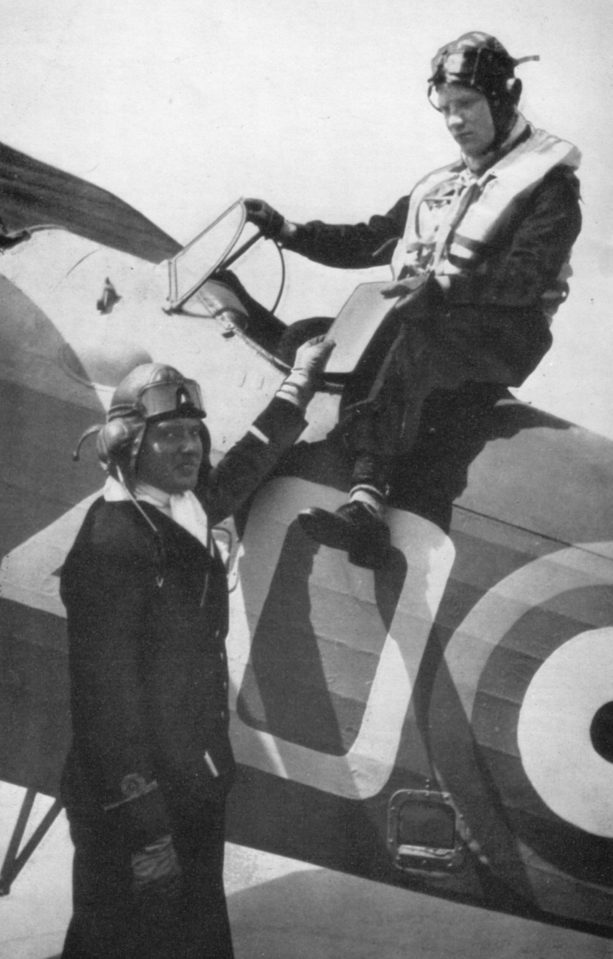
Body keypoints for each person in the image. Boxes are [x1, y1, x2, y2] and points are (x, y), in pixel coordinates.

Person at [244, 30, 582, 569]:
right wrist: (289, 230)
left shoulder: (549, 187)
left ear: (502, 99)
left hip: (502, 333)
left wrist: (441, 290)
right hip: (427, 316)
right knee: (308, 336)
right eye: (446, 108)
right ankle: (266, 466)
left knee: (414, 342)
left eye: (467, 104)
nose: (454, 120)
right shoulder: (443, 184)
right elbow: (373, 237)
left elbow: (521, 280)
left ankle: (366, 504)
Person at [59, 336, 333, 959]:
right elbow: (105, 707)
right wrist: (146, 827)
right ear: (129, 446)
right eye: (169, 434)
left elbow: (242, 468)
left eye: (194, 431)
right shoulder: (110, 544)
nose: (189, 446)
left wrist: (299, 386)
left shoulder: (179, 507)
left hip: (194, 786)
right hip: (136, 807)